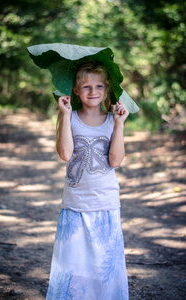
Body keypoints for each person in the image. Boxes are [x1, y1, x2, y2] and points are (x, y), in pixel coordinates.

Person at [46, 61, 129, 300]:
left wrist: (119, 125)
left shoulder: (113, 120)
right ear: (75, 90)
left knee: (103, 263)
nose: (93, 92)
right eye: (86, 87)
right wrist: (65, 115)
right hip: (76, 202)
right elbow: (65, 154)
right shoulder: (69, 118)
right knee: (75, 261)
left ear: (107, 89)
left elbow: (115, 161)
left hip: (105, 201)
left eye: (99, 86)